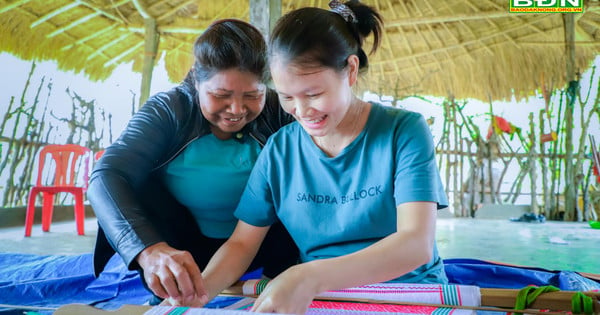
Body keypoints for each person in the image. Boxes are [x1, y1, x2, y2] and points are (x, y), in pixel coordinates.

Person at [200, 1, 449, 313]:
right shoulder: (280, 150)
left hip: (407, 294)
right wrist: (200, 290)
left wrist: (309, 276)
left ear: (351, 70)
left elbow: (415, 245)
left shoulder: (404, 130)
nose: (302, 112)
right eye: (288, 97)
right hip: (322, 299)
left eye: (314, 94)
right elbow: (241, 244)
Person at [87, 19, 298, 307]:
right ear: (196, 81)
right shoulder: (169, 110)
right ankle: (167, 280)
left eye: (252, 95)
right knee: (133, 182)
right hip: (183, 250)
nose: (236, 110)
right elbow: (106, 175)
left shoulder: (280, 111)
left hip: (264, 244)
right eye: (220, 95)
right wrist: (150, 251)